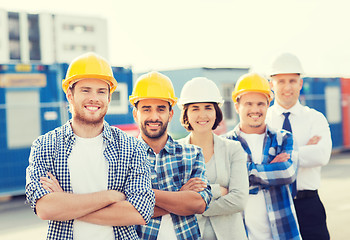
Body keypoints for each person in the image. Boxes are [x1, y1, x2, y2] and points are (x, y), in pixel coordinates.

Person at [25, 52, 155, 240]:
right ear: (70, 95)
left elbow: (139, 213)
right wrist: (110, 196)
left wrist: (66, 205)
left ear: (109, 98)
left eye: (101, 91)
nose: (94, 98)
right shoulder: (45, 146)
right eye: (86, 90)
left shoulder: (132, 147)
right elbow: (45, 208)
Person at [130, 71, 212, 240]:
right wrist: (180, 195)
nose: (154, 116)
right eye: (146, 109)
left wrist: (141, 194)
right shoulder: (125, 157)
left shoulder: (192, 154)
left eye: (161, 109)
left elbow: (198, 204)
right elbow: (121, 210)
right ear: (135, 114)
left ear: (171, 113)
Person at [225, 73, 301, 240]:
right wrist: (270, 170)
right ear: (237, 107)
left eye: (260, 103)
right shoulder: (224, 144)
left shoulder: (284, 138)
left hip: (284, 234)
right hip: (241, 234)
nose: (255, 110)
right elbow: (220, 183)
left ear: (268, 105)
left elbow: (287, 172)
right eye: (248, 104)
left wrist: (239, 175)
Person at [266, 52, 332, 240]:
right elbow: (259, 160)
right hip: (274, 203)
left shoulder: (315, 118)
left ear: (300, 84)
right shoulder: (264, 120)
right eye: (281, 81)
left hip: (309, 204)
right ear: (272, 84)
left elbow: (321, 155)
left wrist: (281, 157)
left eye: (293, 81)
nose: (287, 87)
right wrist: (304, 149)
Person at [177, 77, 249, 240]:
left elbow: (239, 200)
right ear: (186, 113)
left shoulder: (233, 149)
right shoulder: (175, 152)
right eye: (195, 108)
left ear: (216, 112)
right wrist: (218, 190)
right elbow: (173, 199)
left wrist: (192, 205)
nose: (202, 115)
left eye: (208, 108)